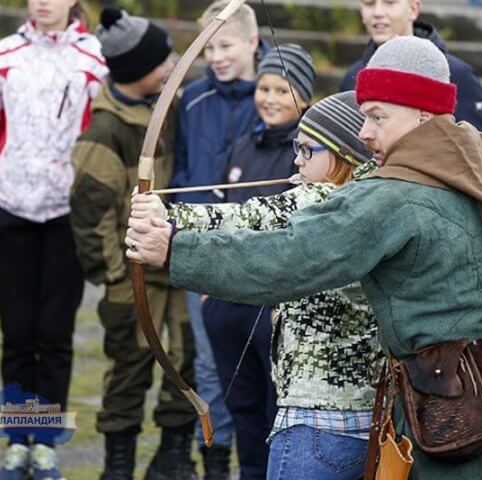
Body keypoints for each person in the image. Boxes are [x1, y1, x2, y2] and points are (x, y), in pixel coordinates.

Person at [126, 36, 482, 479]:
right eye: (364, 116)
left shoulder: (390, 194)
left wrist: (173, 249)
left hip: (454, 412)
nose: (364, 133)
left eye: (377, 116)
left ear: (424, 113)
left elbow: (290, 259)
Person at [131, 91, 379, 480]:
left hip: (312, 421)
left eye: (307, 149)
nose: (296, 158)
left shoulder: (322, 199)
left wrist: (167, 215)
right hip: (372, 419)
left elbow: (251, 218)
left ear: (342, 154)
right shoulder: (375, 197)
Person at [0, 0, 107, 478]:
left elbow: (103, 134)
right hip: (9, 209)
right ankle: (16, 439)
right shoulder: (5, 53)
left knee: (55, 332)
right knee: (18, 332)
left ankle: (46, 442)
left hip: (66, 215)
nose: (43, 1)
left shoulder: (93, 57)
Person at [68, 8, 200, 480]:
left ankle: (173, 456)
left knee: (186, 361)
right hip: (134, 277)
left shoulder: (168, 108)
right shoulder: (106, 130)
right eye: (162, 60)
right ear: (136, 72)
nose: (171, 65)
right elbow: (89, 217)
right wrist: (118, 276)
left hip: (177, 263)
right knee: (129, 366)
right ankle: (117, 465)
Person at [201, 43, 316, 480]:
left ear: (303, 97)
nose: (269, 98)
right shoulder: (242, 145)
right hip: (229, 300)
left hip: (275, 304)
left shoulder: (309, 155)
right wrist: (211, 289)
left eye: (282, 90)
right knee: (243, 408)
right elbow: (220, 214)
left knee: (275, 408)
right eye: (264, 88)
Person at [171, 2, 266, 474]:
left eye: (225, 44)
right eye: (207, 47)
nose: (216, 56)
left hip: (255, 246)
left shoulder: (271, 94)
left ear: (252, 42)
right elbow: (183, 167)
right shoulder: (191, 99)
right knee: (208, 361)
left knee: (254, 354)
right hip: (200, 244)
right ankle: (213, 454)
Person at [339, 0, 482, 151]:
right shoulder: (352, 77)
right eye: (369, 4)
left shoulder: (457, 74)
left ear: (413, 8)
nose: (377, 12)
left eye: (390, 3)